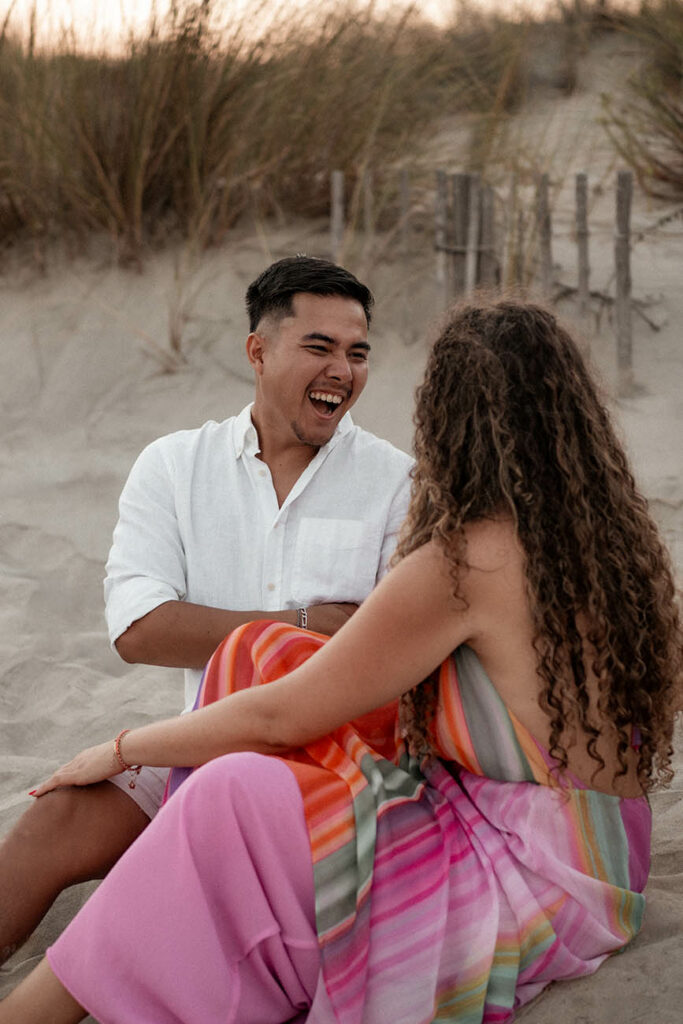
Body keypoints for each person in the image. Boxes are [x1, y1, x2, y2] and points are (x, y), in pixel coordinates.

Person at [1, 300, 679, 1024]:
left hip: (523, 882)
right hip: (604, 861)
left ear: (446, 421)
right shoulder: (621, 560)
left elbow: (275, 719)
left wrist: (115, 749)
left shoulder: (465, 562)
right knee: (270, 650)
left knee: (229, 796)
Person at [0, 256, 412, 965]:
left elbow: (390, 656)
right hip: (200, 746)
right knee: (55, 818)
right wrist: (307, 624)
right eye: (318, 347)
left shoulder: (397, 482)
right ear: (258, 351)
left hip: (339, 766)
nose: (341, 370)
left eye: (356, 352)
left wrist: (231, 624)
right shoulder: (173, 465)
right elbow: (139, 629)